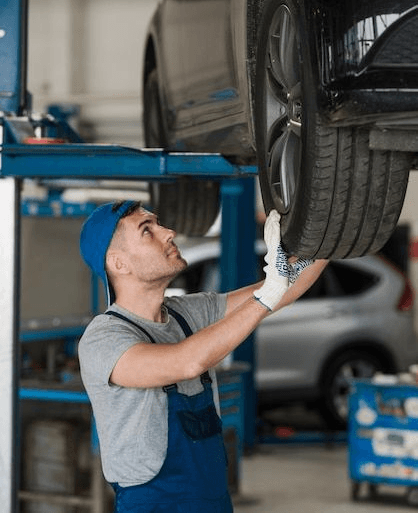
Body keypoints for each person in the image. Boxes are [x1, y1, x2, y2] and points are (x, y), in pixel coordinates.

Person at [78, 200, 327, 513]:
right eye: (147, 231)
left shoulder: (187, 313)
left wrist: (333, 232)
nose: (168, 232)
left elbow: (281, 290)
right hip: (154, 505)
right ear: (119, 264)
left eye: (158, 223)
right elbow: (185, 362)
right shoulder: (103, 338)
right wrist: (269, 293)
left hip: (213, 500)